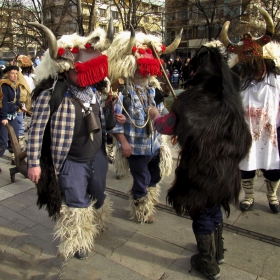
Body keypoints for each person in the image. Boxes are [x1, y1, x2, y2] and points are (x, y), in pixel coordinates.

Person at [149, 40, 252, 279]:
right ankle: (218, 251)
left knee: (202, 213)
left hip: (201, 172)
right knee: (215, 208)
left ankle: (208, 263)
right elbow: (243, 138)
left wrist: (155, 115)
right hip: (226, 172)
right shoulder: (232, 98)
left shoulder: (192, 99)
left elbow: (166, 126)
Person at [26, 22, 114, 260]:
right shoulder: (50, 95)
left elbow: (103, 120)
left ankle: (96, 222)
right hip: (71, 161)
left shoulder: (94, 91)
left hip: (97, 156)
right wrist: (33, 163)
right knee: (76, 203)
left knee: (99, 194)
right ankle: (78, 241)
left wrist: (114, 118)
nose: (86, 78)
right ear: (66, 70)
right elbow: (35, 131)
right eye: (80, 72)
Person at [106, 28, 181, 223]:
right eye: (141, 68)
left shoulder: (153, 90)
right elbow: (114, 123)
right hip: (136, 149)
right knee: (141, 180)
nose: (144, 72)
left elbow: (162, 112)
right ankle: (140, 210)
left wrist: (176, 122)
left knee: (154, 177)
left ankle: (146, 198)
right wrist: (124, 143)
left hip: (154, 145)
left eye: (148, 69)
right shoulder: (121, 92)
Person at [220, 7, 280, 213]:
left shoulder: (276, 79)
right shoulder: (239, 82)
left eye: (258, 65)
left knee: (273, 166)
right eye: (251, 66)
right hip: (246, 133)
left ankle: (272, 196)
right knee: (247, 165)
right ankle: (250, 196)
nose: (256, 70)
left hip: (270, 132)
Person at [0, 65, 28, 172]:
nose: (15, 75)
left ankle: (16, 160)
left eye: (16, 73)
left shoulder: (15, 85)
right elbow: (3, 102)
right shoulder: (3, 85)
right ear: (7, 74)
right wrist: (3, 117)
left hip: (13, 116)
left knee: (15, 139)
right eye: (12, 73)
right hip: (4, 117)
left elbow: (15, 100)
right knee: (2, 141)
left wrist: (21, 106)